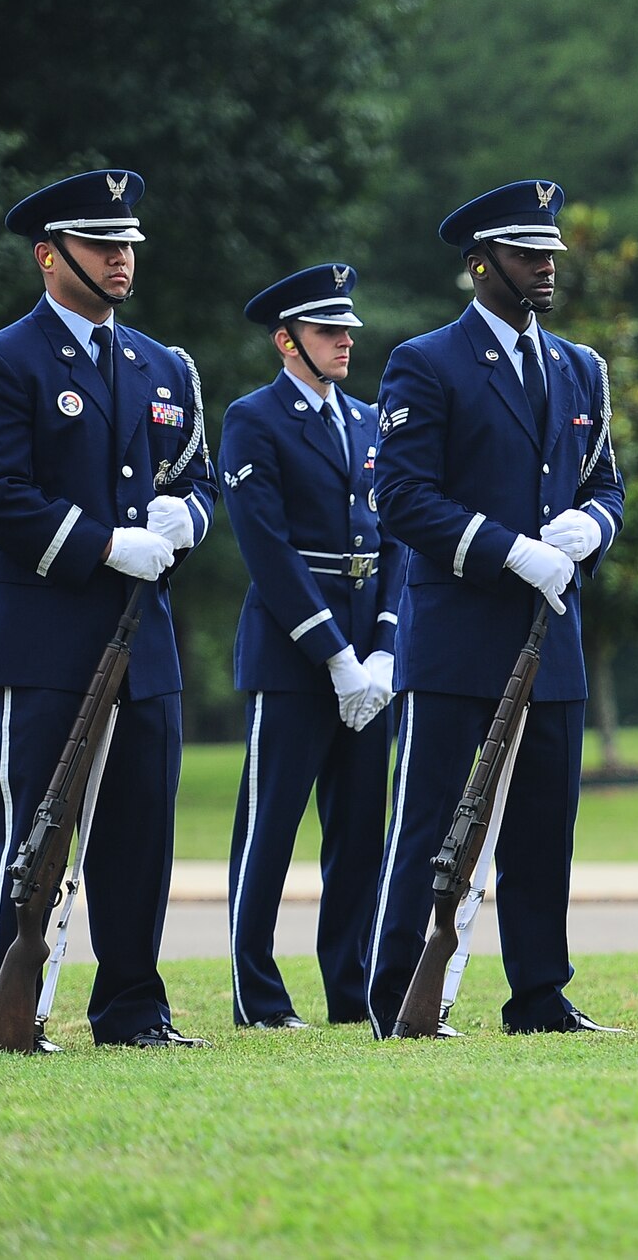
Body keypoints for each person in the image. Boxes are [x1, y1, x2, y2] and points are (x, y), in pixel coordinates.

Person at [0, 169, 217, 1050]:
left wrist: (191, 518)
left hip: (143, 638)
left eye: (129, 243)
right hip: (43, 632)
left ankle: (135, 1009)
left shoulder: (162, 365)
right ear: (48, 254)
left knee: (143, 833)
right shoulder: (2, 359)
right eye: (103, 243)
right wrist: (104, 545)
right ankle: (5, 1006)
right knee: (35, 824)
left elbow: (199, 481)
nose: (122, 257)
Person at [363, 180, 625, 1037]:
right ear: (481, 264)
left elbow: (605, 483)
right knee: (432, 817)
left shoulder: (580, 366)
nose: (546, 267)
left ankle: (539, 995)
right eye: (525, 254)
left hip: (552, 635)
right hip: (458, 633)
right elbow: (402, 498)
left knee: (544, 829)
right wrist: (509, 548)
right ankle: (401, 992)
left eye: (549, 252)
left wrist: (592, 525)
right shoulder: (425, 362)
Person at [219, 263, 403, 1030]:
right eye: (328, 332)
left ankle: (349, 990)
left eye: (348, 331)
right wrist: (333, 654)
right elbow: (268, 550)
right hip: (296, 658)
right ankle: (256, 996)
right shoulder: (254, 418)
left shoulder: (365, 421)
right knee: (270, 832)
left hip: (369, 656)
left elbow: (395, 539)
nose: (344, 343)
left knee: (360, 834)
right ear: (285, 340)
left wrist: (387, 648)